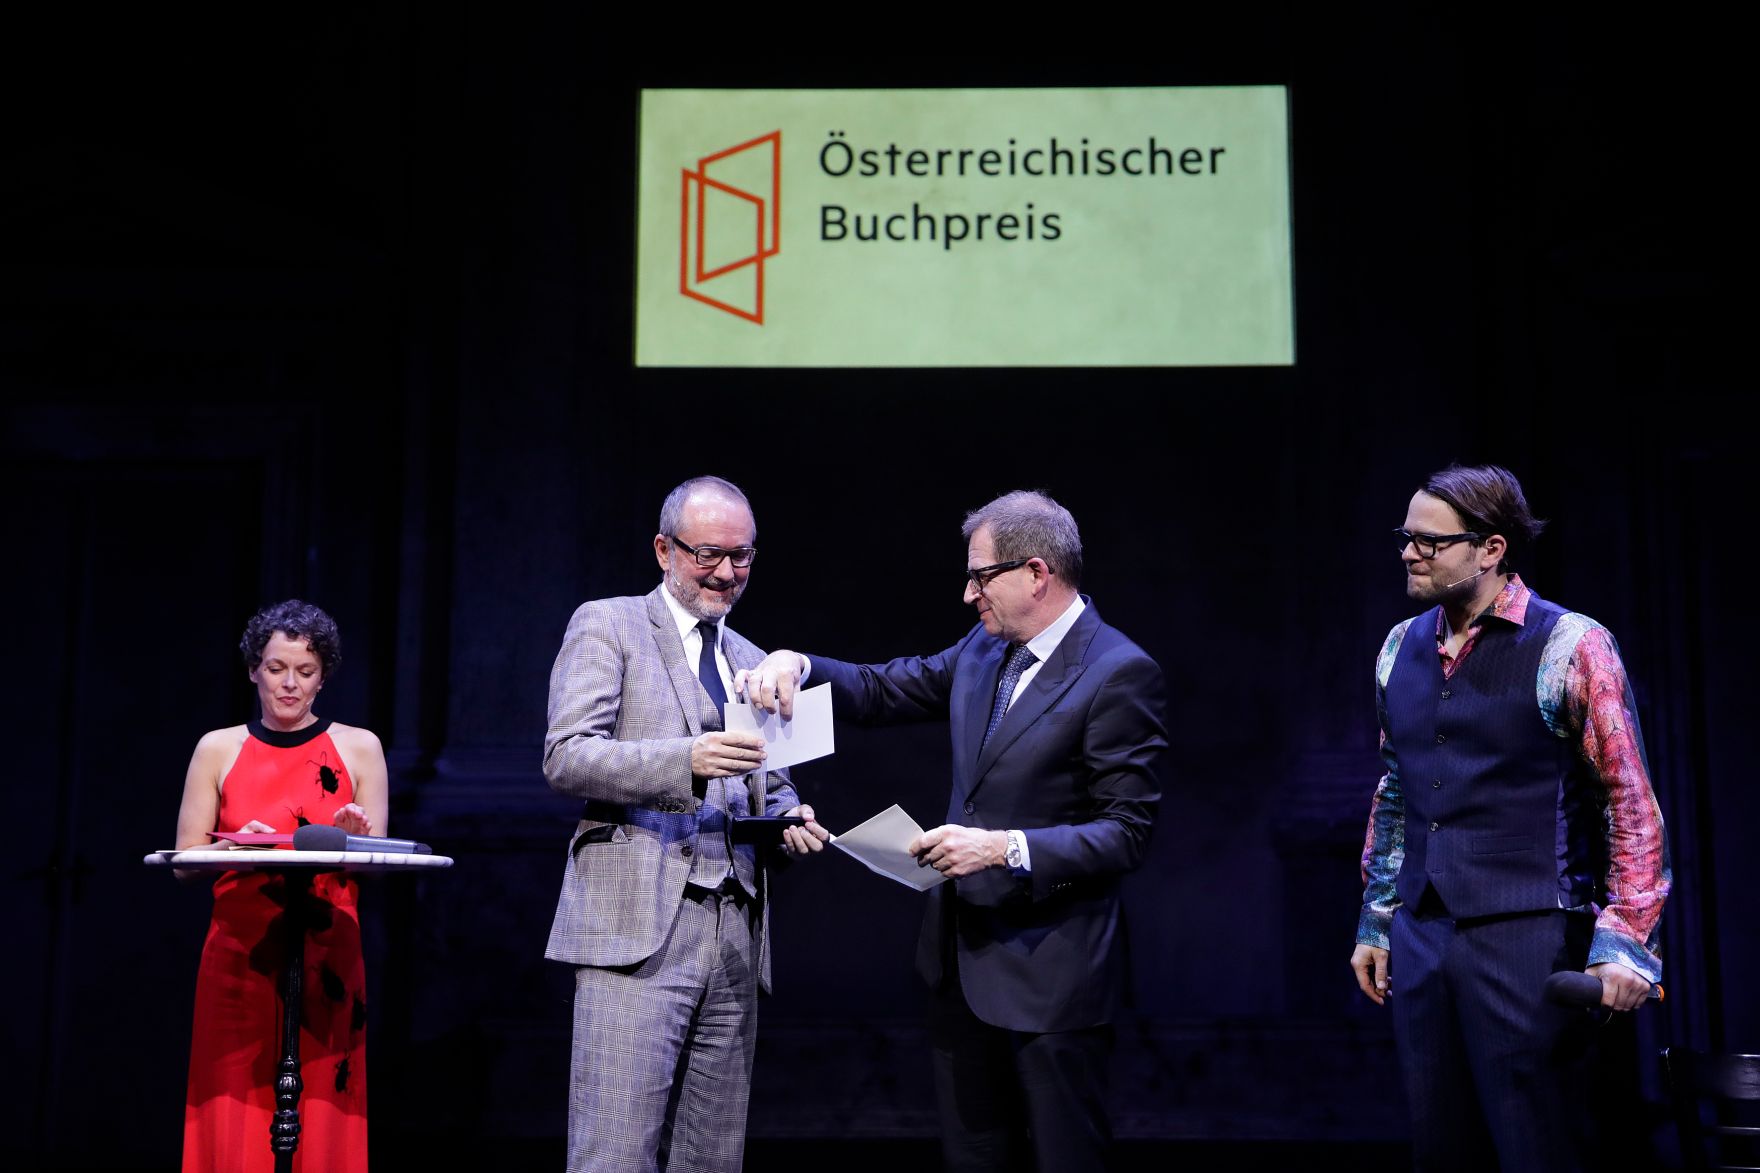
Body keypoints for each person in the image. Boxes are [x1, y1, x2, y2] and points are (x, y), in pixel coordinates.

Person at [738, 489, 1167, 1173]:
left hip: (1052, 976)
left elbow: (1126, 834)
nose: (968, 594)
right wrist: (800, 662)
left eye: (980, 575)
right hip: (958, 968)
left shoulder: (1119, 672)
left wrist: (1004, 847)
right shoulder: (984, 648)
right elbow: (884, 689)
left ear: (1036, 572)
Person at [1349, 464, 1671, 1172]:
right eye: (1406, 537)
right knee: (1440, 1145)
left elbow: (1629, 801)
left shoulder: (1571, 644)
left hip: (1530, 935)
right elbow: (1397, 791)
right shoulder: (1399, 646)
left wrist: (1625, 940)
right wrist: (1378, 917)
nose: (1410, 552)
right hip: (1423, 931)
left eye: (1430, 542)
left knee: (1538, 1143)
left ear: (1491, 549)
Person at [543, 475, 827, 1173]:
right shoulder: (608, 624)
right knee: (614, 1151)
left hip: (734, 929)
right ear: (664, 549)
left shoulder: (754, 662)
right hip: (636, 927)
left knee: (712, 1156)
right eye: (709, 555)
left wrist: (789, 816)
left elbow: (774, 778)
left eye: (743, 557)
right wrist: (685, 758)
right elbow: (567, 754)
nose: (728, 573)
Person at [174, 599, 388, 1173]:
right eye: (276, 668)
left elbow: (375, 864)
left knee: (322, 1099)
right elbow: (184, 861)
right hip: (239, 950)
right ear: (253, 670)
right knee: (232, 1099)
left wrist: (353, 839)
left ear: (323, 675)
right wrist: (230, 847)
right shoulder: (218, 748)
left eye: (305, 671)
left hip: (328, 951)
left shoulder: (359, 747)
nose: (290, 684)